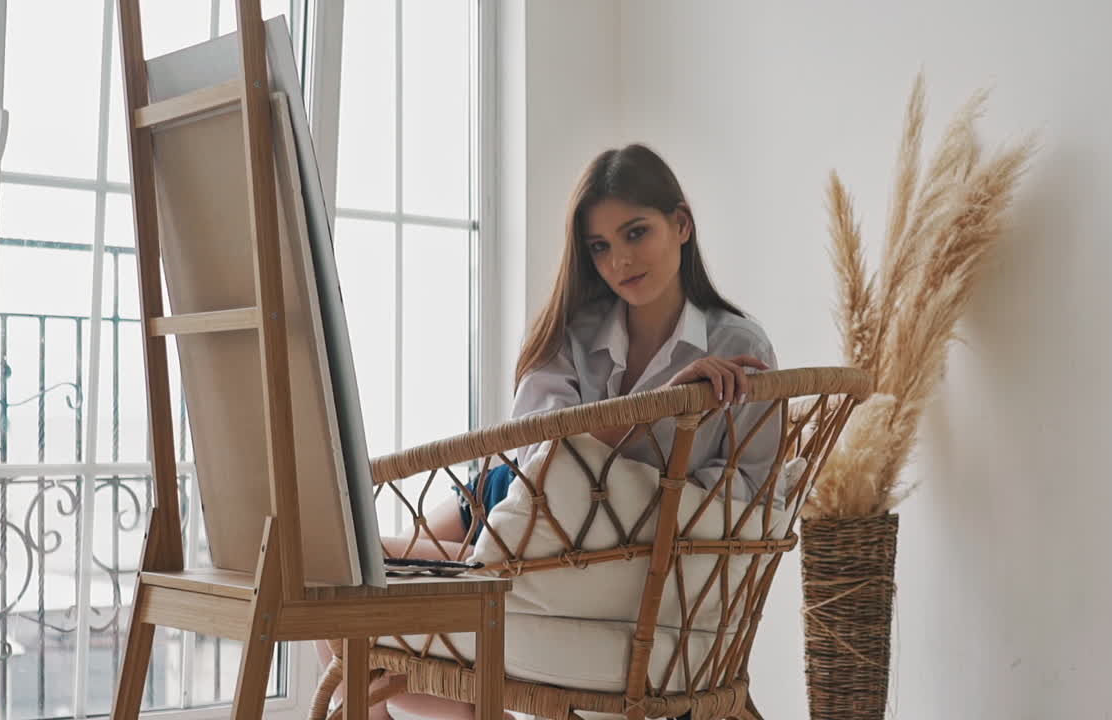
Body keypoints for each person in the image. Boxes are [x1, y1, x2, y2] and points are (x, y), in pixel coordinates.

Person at [318, 143, 780, 720]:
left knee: (359, 593)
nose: (619, 262)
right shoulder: (573, 332)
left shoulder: (739, 348)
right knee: (341, 592)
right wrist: (660, 405)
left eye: (636, 233)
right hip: (504, 505)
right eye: (600, 247)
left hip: (587, 547)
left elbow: (745, 500)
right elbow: (535, 458)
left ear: (680, 224)